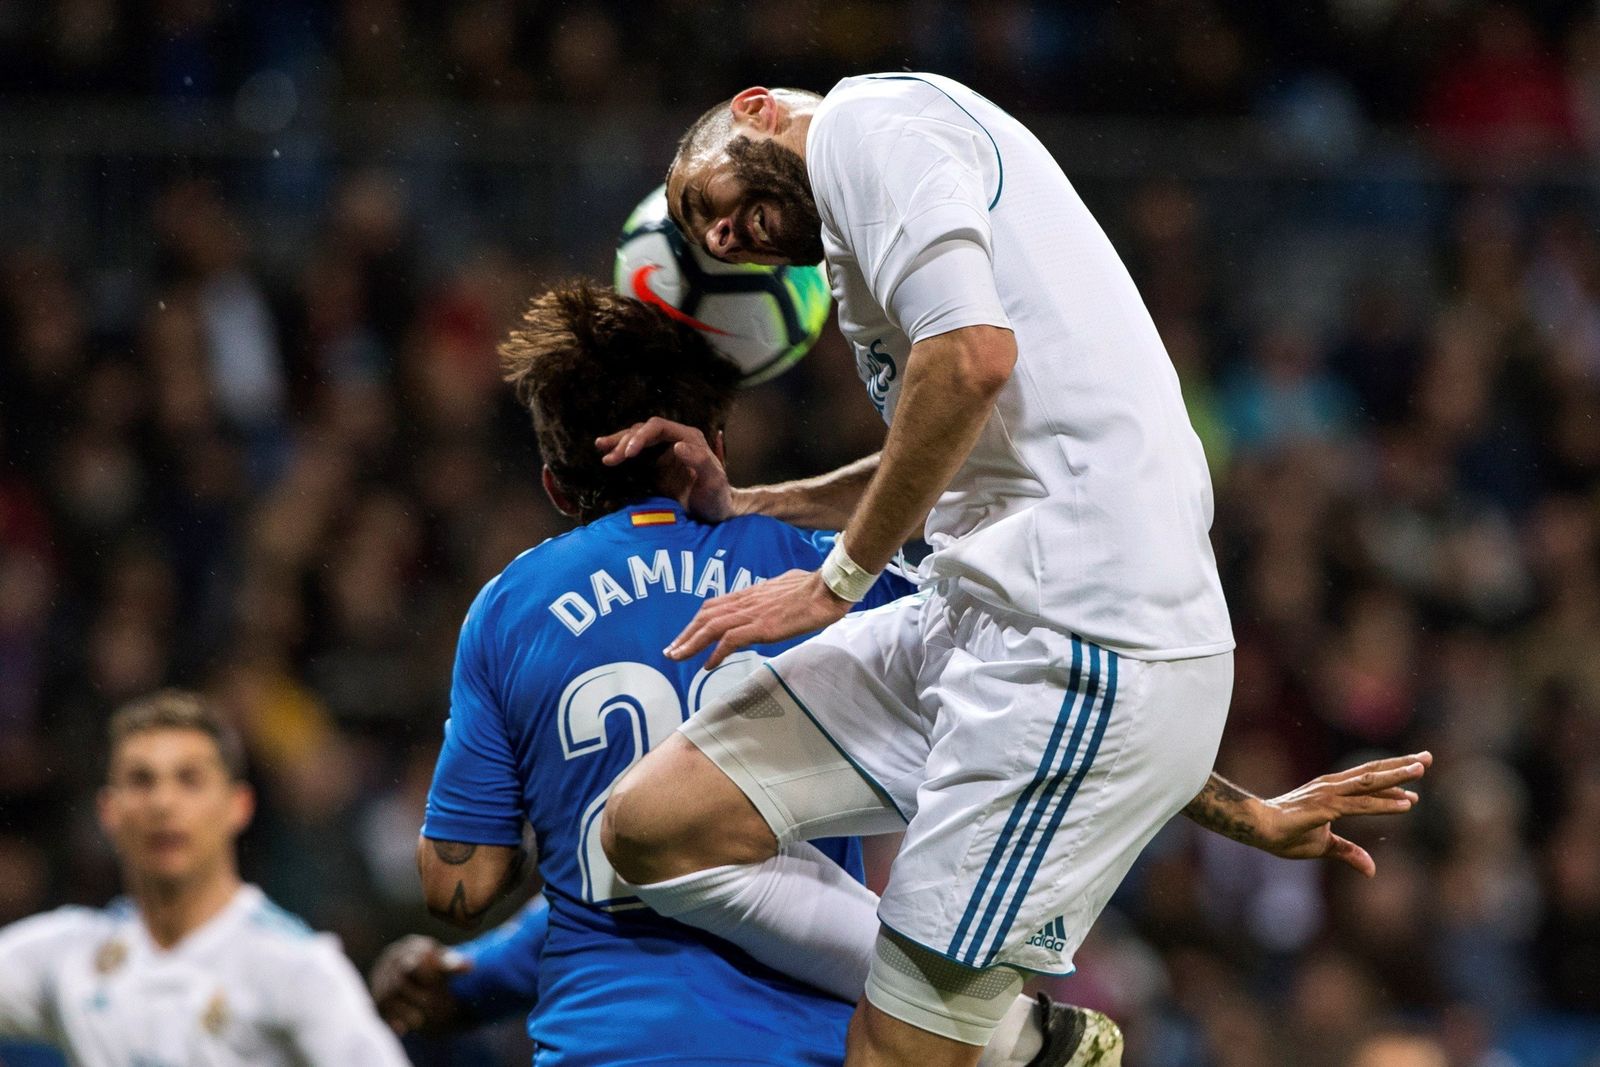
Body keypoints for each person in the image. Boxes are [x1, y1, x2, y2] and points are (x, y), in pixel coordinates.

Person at [594, 74, 1428, 1067]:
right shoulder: (880, 217)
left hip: (1077, 650)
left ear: (757, 108)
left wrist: (833, 582)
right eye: (701, 242)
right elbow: (962, 431)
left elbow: (972, 362)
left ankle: (947, 1024)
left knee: (892, 1052)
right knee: (652, 824)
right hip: (996, 623)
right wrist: (753, 504)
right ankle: (1014, 1040)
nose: (720, 242)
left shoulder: (865, 125)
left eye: (704, 206)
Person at [409, 280, 1428, 1067]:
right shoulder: (823, 564)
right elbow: (1050, 696)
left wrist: (476, 943)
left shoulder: (509, 607)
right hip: (819, 1035)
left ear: (553, 481)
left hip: (610, 1042)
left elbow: (461, 884)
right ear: (715, 441)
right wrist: (1246, 813)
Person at [0, 689, 410, 1067]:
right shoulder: (67, 957)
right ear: (109, 811)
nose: (163, 803)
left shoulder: (296, 966)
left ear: (238, 805)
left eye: (189, 780)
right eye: (141, 781)